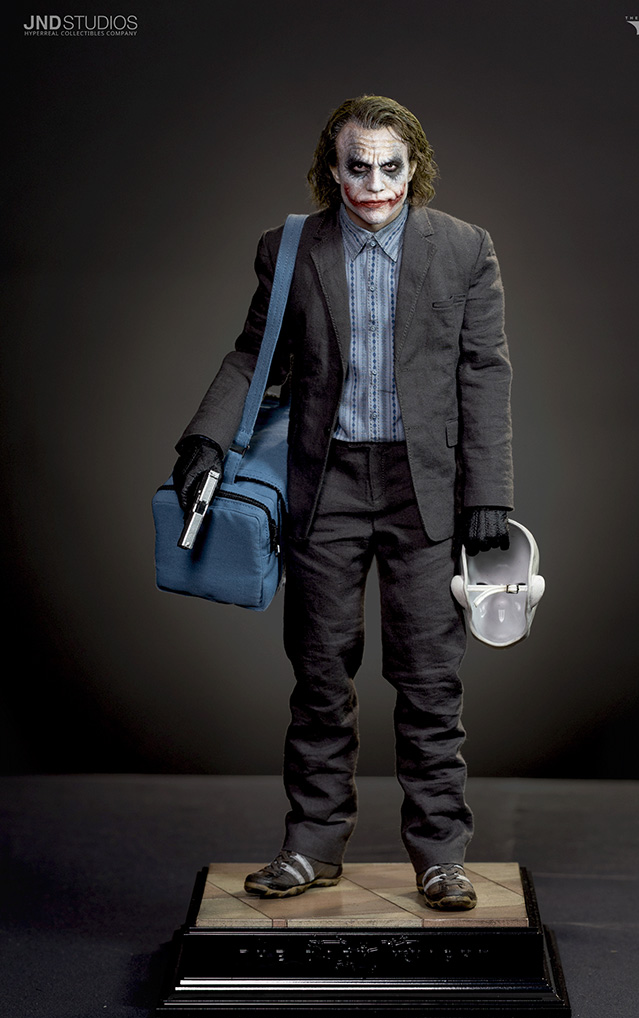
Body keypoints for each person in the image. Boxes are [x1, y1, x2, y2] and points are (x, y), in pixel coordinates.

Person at [173, 95, 513, 911]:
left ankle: (441, 855)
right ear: (332, 168)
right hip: (324, 485)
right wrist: (205, 438)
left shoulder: (464, 248)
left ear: (414, 167)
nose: (374, 183)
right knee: (320, 673)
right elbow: (254, 354)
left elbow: (484, 371)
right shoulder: (291, 248)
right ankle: (312, 846)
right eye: (357, 166)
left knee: (429, 680)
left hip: (424, 489)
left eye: (391, 166)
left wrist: (489, 495)